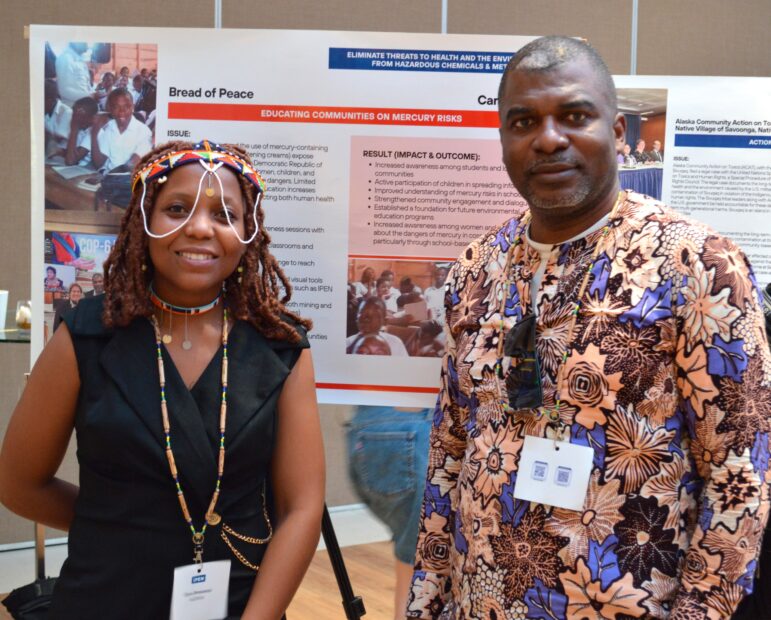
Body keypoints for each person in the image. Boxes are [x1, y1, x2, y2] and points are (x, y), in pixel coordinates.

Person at [407, 36, 770, 619]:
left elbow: (739, 475)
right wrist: (427, 604)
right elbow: (450, 451)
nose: (548, 139)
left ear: (619, 132)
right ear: (503, 142)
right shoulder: (476, 269)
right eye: (524, 122)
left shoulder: (698, 265)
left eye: (574, 116)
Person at [0, 140, 325, 618]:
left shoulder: (280, 347)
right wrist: (115, 527)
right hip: (103, 597)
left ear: (247, 232)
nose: (199, 228)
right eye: (176, 208)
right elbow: (19, 483)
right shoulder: (86, 336)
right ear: (142, 222)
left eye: (224, 215)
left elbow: (302, 508)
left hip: (237, 600)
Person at [92, 87, 152, 172]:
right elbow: (98, 164)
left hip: (129, 180)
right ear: (111, 110)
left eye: (126, 106)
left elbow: (130, 166)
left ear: (132, 107)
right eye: (116, 107)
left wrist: (108, 177)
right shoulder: (110, 127)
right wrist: (94, 134)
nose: (122, 111)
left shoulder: (144, 132)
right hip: (108, 177)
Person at [54, 42, 94, 107]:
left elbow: (84, 87)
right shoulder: (65, 58)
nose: (87, 43)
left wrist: (95, 93)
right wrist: (89, 96)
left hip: (84, 108)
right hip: (72, 110)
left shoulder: (80, 60)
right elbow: (64, 90)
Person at [64, 96, 98, 166]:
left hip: (90, 170)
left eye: (80, 116)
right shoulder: (81, 129)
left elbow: (70, 161)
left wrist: (74, 129)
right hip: (78, 168)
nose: (75, 119)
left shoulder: (95, 132)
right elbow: (71, 152)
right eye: (74, 115)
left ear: (92, 118)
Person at [44, 78, 72, 157]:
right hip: (47, 155)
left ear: (50, 100)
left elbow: (60, 139)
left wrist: (43, 131)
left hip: (61, 158)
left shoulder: (66, 112)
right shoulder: (43, 111)